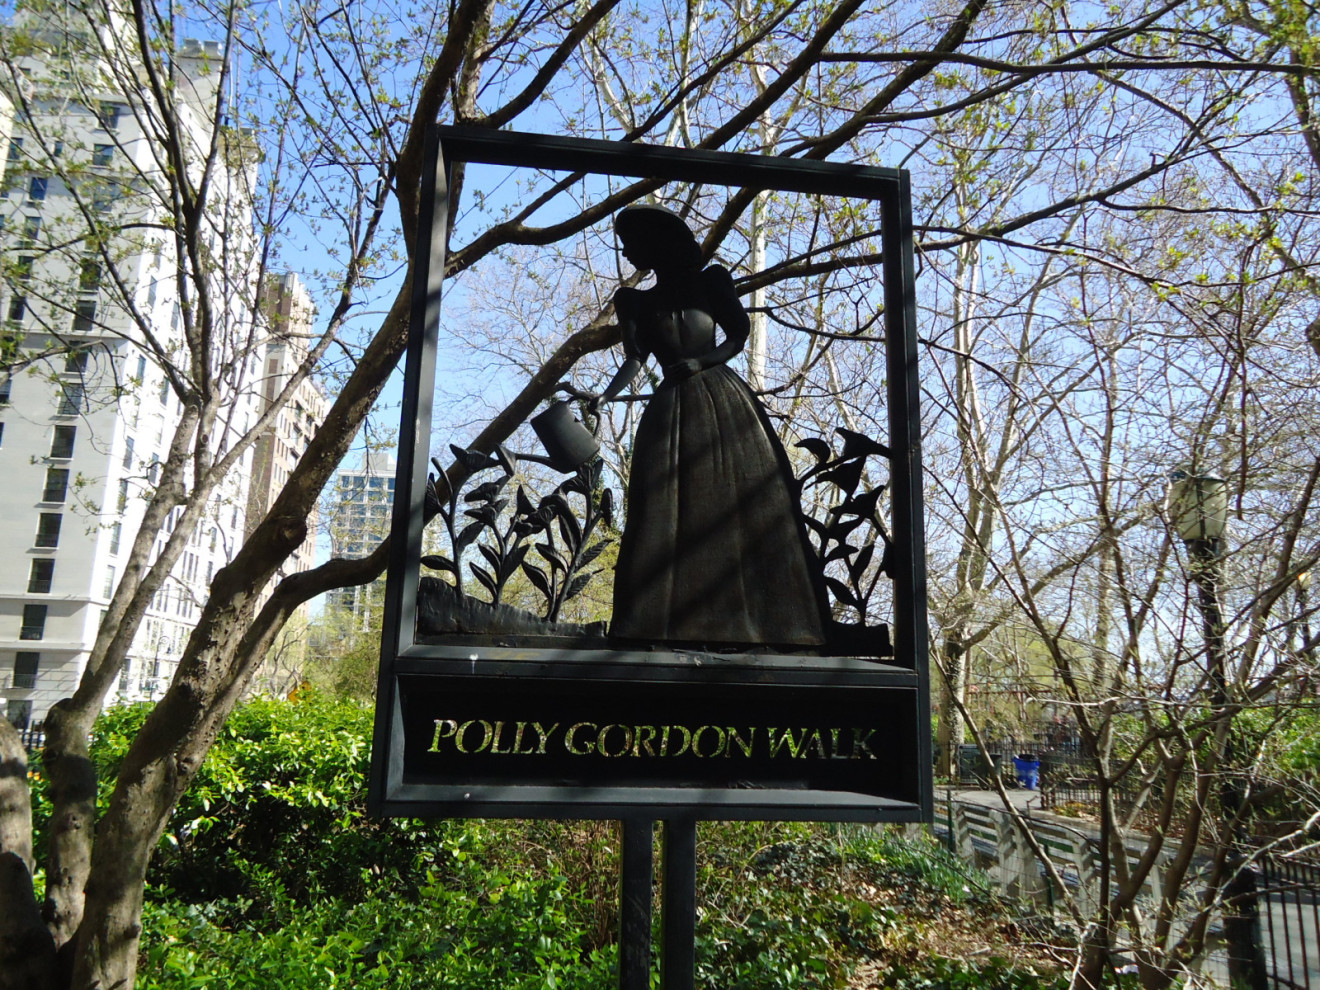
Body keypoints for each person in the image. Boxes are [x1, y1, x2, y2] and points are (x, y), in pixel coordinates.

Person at [586, 204, 826, 648]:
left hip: (724, 403)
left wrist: (701, 362)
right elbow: (635, 361)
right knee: (663, 507)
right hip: (670, 412)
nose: (625, 250)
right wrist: (604, 396)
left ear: (656, 242)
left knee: (747, 503)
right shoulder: (634, 301)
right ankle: (652, 623)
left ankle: (773, 621)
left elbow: (737, 336)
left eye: (631, 241)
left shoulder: (712, 282)